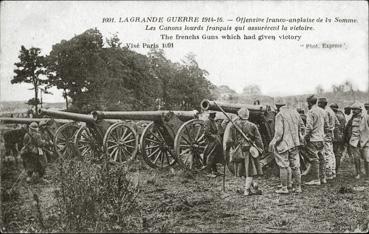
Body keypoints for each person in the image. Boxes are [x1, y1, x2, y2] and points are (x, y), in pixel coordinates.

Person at [225, 107, 264, 196]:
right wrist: (260, 150)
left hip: (238, 151)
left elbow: (229, 141)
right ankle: (247, 190)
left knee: (242, 170)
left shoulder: (233, 126)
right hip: (249, 151)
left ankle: (251, 185)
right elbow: (259, 140)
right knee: (249, 171)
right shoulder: (252, 126)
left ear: (239, 115)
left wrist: (227, 150)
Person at [269, 101, 305, 194]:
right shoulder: (295, 113)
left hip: (284, 144)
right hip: (295, 144)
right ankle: (298, 187)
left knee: (283, 165)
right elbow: (302, 127)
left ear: (277, 107)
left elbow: (279, 133)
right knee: (296, 165)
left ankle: (284, 188)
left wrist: (273, 142)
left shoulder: (279, 115)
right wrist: (299, 138)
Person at [303, 95, 327, 185]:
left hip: (313, 139)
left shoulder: (311, 112)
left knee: (314, 159)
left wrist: (305, 137)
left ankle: (316, 179)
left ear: (309, 103)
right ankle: (323, 178)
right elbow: (326, 126)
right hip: (321, 138)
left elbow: (309, 127)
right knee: (322, 158)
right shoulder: (322, 111)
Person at [345, 102, 369, 179]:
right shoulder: (352, 119)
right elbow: (348, 129)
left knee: (366, 158)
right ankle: (358, 173)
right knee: (356, 158)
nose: (353, 111)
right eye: (353, 109)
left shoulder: (366, 117)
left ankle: (367, 173)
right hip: (354, 141)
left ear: (360, 110)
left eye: (355, 109)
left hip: (365, 140)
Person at [318, 97, 338, 180]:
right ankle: (333, 171)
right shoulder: (331, 111)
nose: (318, 105)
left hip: (326, 134)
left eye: (319, 103)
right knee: (331, 153)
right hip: (330, 133)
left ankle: (329, 173)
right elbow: (337, 123)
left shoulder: (325, 111)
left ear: (323, 104)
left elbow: (324, 125)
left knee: (327, 153)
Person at [202, 112, 223, 177]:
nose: (214, 115)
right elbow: (207, 133)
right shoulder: (207, 121)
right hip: (211, 141)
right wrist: (214, 137)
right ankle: (208, 172)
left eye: (214, 114)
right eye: (213, 114)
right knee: (211, 156)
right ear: (210, 115)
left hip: (216, 141)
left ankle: (215, 171)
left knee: (214, 156)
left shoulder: (213, 121)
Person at [330, 103, 346, 174]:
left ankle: (333, 170)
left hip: (333, 137)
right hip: (340, 137)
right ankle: (336, 170)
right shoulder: (341, 114)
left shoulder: (332, 115)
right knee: (338, 154)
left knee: (332, 154)